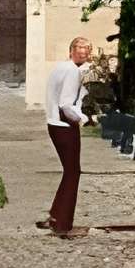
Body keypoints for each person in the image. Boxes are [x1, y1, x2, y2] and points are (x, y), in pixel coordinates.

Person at [37, 35, 93, 238]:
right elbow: (66, 105)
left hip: (53, 124)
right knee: (73, 173)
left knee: (69, 171)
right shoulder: (73, 72)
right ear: (73, 52)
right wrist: (83, 119)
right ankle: (63, 223)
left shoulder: (60, 68)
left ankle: (55, 215)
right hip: (65, 126)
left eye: (86, 51)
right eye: (83, 51)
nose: (84, 55)